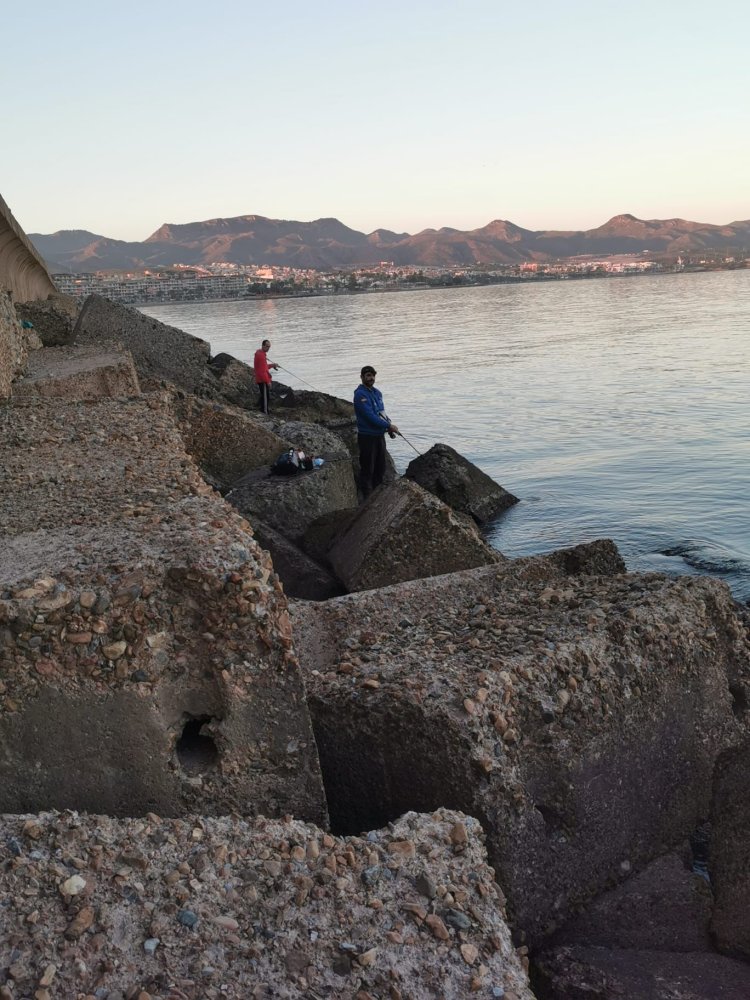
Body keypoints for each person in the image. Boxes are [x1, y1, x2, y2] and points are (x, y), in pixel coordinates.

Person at [354, 365, 399, 498]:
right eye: (367, 375)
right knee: (367, 469)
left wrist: (388, 425)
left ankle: (378, 496)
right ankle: (367, 499)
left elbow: (381, 413)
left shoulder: (377, 393)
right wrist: (388, 426)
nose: (370, 378)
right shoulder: (360, 395)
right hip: (367, 437)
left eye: (372, 375)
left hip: (379, 437)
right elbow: (370, 416)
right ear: (362, 377)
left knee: (381, 468)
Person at [253, 339, 279, 414]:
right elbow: (262, 371)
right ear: (263, 346)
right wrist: (268, 382)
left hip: (262, 379)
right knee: (265, 397)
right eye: (267, 346)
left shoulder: (261, 354)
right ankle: (264, 412)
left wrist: (272, 365)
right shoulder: (261, 356)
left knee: (265, 396)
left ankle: (264, 410)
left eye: (269, 346)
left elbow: (264, 367)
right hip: (262, 380)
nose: (268, 348)